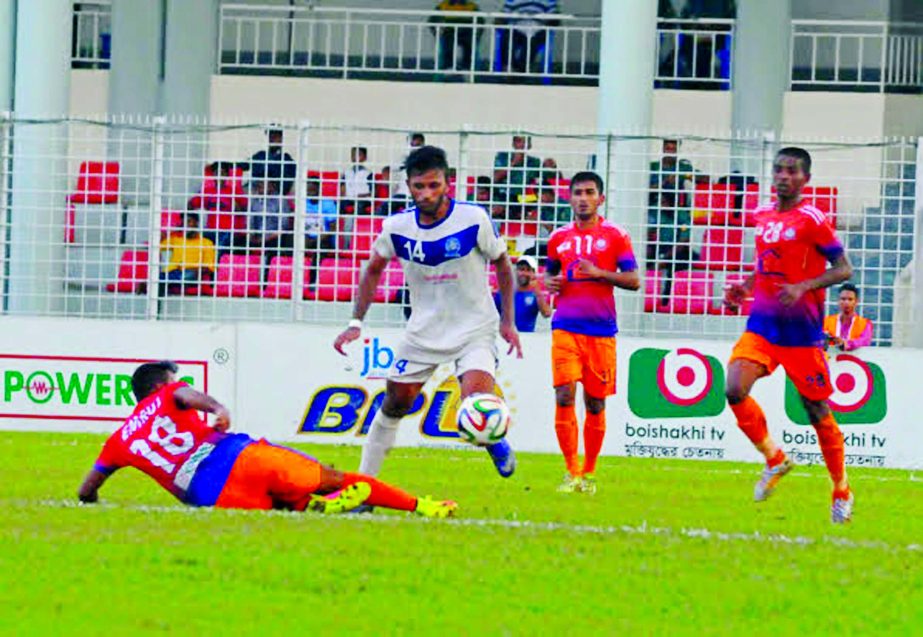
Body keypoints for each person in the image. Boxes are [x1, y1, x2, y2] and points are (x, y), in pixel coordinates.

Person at [333, 146, 523, 482]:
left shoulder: (473, 219)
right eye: (419, 186)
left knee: (476, 402)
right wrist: (355, 322)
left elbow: (503, 265)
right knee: (394, 404)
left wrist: (508, 321)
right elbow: (372, 269)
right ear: (408, 186)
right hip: (422, 333)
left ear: (448, 183)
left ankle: (493, 440)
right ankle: (364, 487)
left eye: (433, 185)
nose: (426, 194)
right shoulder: (397, 227)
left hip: (474, 329)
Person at [77, 361, 456, 517]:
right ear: (158, 385)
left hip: (212, 498)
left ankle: (314, 507)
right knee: (332, 477)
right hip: (238, 457)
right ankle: (422, 506)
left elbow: (86, 490)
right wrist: (217, 407)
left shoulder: (117, 441)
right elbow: (187, 396)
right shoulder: (168, 393)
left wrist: (93, 500)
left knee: (284, 507)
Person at [723, 147, 855, 524]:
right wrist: (743, 287)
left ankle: (841, 489)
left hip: (801, 333)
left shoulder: (813, 218)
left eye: (791, 171)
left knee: (817, 412)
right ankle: (775, 458)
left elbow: (844, 268)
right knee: (734, 388)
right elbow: (766, 266)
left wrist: (804, 286)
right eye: (778, 170)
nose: (782, 176)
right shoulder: (762, 214)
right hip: (763, 325)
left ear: (805, 179)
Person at [544, 172, 640, 495]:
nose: (582, 198)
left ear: (600, 198)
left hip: (601, 331)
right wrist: (550, 284)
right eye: (577, 193)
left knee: (595, 403)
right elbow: (550, 275)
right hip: (565, 327)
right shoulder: (558, 238)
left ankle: (590, 471)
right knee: (564, 394)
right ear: (569, 198)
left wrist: (599, 273)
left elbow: (634, 280)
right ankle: (572, 472)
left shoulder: (616, 236)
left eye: (589, 192)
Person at [159, 212, 216, 295]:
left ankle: (165, 283)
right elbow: (158, 246)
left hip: (191, 273)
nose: (186, 225)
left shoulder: (206, 243)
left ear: (196, 223)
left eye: (189, 222)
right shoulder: (176, 240)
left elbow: (209, 268)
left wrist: (196, 270)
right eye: (184, 223)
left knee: (186, 275)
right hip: (173, 272)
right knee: (158, 277)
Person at [494, 255, 552, 333]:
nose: (524, 273)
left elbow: (547, 314)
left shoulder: (536, 295)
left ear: (533, 273)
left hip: (528, 340)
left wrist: (537, 290)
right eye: (521, 269)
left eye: (528, 270)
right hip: (505, 339)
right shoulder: (504, 293)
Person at [498, 0, 559, 74]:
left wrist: (550, 22)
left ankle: (521, 70)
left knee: (532, 43)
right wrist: (499, 21)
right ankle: (508, 67)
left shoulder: (548, 1)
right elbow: (505, 13)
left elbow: (554, 15)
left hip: (538, 28)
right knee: (507, 36)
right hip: (518, 27)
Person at [430, 0, 483, 71]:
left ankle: (467, 68)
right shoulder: (443, 5)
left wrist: (478, 35)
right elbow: (432, 20)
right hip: (450, 32)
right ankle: (448, 67)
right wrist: (436, 33)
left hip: (466, 32)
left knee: (470, 45)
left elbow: (481, 21)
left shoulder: (471, 6)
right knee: (448, 45)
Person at [823, 283, 873, 352]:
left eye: (850, 299)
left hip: (854, 361)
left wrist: (845, 343)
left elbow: (864, 341)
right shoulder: (826, 322)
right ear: (838, 301)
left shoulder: (865, 323)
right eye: (843, 299)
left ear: (856, 302)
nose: (846, 302)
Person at [248, 126, 297, 197]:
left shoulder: (286, 159)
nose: (272, 139)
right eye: (270, 137)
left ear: (281, 139)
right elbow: (245, 165)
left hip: (276, 195)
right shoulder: (260, 155)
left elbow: (287, 183)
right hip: (256, 192)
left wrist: (272, 184)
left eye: (275, 137)